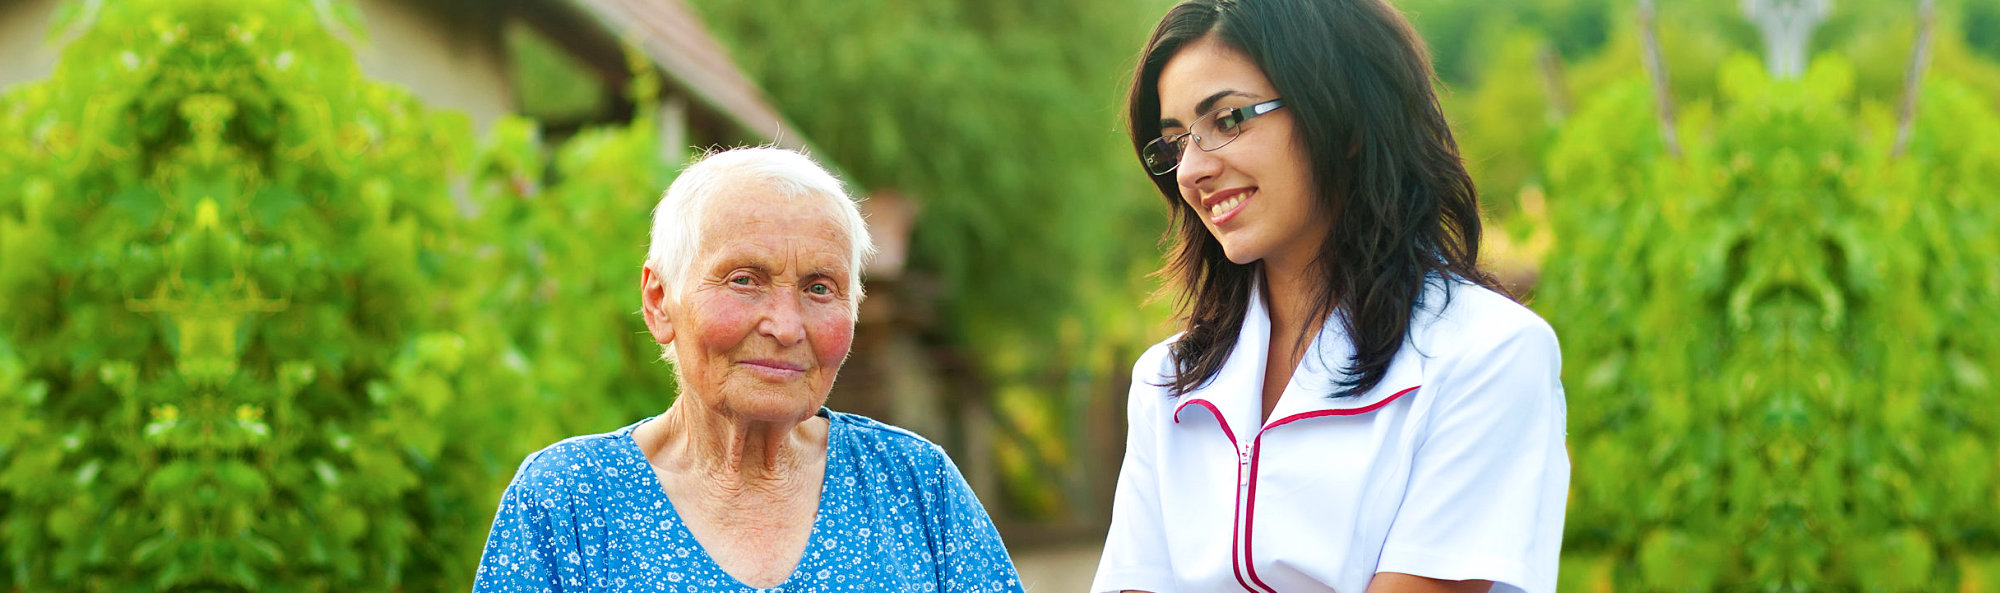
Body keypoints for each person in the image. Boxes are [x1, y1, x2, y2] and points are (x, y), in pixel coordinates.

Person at [1091, 1, 1569, 592]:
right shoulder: (1166, 384)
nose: (1190, 169)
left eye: (1229, 119)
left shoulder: (1488, 354)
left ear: (1342, 119)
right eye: (1173, 144)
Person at [473, 147, 1024, 592]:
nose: (786, 326)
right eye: (744, 280)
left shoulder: (914, 485)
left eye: (819, 288)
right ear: (659, 302)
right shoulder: (567, 502)